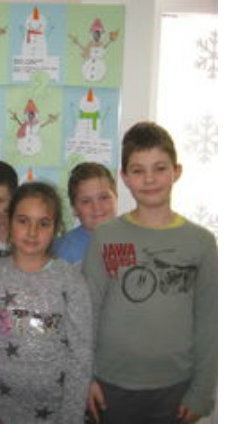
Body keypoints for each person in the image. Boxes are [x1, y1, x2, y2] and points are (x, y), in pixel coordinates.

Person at [82, 121, 218, 424]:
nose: (149, 179)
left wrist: (202, 392)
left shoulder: (202, 242)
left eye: (159, 168)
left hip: (176, 387)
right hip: (110, 385)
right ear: (124, 177)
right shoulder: (105, 236)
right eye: (138, 170)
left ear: (176, 171)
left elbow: (210, 322)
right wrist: (85, 377)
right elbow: (86, 312)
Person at [0, 182, 93, 424]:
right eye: (23, 221)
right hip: (0, 412)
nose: (32, 232)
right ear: (9, 222)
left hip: (56, 413)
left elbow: (81, 355)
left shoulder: (71, 281)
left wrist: (70, 419)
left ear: (55, 228)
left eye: (43, 223)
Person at [52, 162, 117, 264]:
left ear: (116, 197)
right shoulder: (60, 250)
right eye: (86, 201)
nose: (97, 207)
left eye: (104, 197)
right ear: (74, 209)